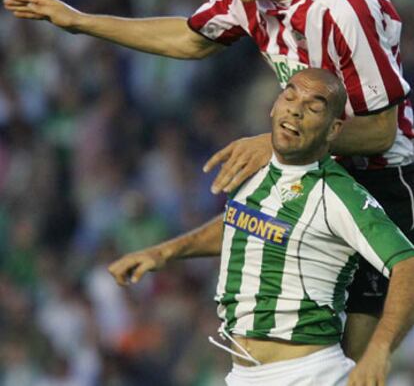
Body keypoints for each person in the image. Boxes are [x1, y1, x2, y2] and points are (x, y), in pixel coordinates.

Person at [3, 0, 414, 360]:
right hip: (318, 174)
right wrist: (83, 21)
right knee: (279, 352)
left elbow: (383, 131)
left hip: (384, 184)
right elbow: (190, 38)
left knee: (356, 362)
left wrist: (273, 147)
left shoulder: (344, 9)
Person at [108, 69, 414, 386]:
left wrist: (379, 349)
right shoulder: (256, 175)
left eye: (314, 106)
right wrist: (164, 252)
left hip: (309, 374)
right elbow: (239, 224)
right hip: (244, 374)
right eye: (290, 96)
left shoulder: (336, 193)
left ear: (333, 129)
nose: (295, 109)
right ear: (274, 106)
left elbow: (407, 263)